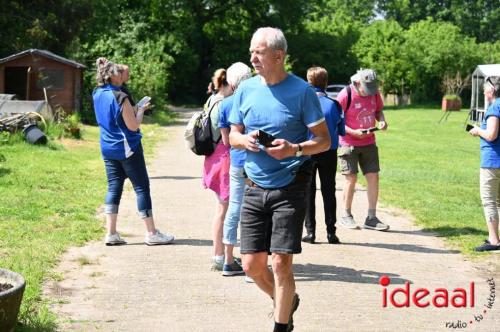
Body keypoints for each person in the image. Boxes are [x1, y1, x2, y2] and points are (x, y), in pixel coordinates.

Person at [229, 27, 330, 332]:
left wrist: (294, 148)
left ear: (278, 55)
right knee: (250, 265)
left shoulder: (302, 92)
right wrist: (242, 140)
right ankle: (286, 300)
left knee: (280, 262)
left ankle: (281, 325)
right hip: (254, 185)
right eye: (251, 51)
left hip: (291, 185)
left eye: (257, 52)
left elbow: (324, 141)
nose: (252, 58)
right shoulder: (245, 90)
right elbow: (232, 134)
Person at [92, 57, 174, 246]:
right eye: (120, 72)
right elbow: (133, 125)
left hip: (107, 148)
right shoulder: (121, 97)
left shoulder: (97, 93)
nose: (123, 74)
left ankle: (111, 233)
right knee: (141, 187)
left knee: (113, 187)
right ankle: (151, 233)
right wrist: (141, 111)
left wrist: (133, 110)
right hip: (127, 147)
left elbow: (115, 118)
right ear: (114, 77)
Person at [336, 68, 389, 231]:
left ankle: (371, 218)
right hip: (348, 143)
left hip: (369, 142)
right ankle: (346, 215)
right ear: (357, 83)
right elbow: (336, 120)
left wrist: (381, 121)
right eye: (367, 88)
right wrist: (353, 132)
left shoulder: (374, 94)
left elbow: (379, 111)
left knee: (373, 177)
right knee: (351, 179)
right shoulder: (345, 95)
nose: (370, 92)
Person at [302, 66, 345, 245]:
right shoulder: (334, 104)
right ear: (326, 83)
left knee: (308, 191)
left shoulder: (304, 103)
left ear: (308, 83)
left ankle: (310, 232)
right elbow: (341, 130)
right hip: (329, 151)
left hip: (308, 150)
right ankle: (331, 232)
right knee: (329, 191)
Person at [218, 62, 252, 276]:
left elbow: (226, 140)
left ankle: (229, 259)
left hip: (236, 161)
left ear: (230, 82)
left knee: (234, 208)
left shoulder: (225, 104)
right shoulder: (255, 100)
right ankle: (253, 262)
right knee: (256, 212)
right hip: (257, 162)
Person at [202, 68, 234, 271]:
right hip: (223, 158)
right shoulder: (225, 103)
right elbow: (227, 138)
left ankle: (219, 254)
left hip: (211, 157)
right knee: (224, 210)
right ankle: (220, 255)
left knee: (221, 209)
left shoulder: (211, 100)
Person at [469, 76, 500, 251]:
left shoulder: (495, 107)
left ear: (493, 90)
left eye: (485, 88)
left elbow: (491, 135)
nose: (483, 91)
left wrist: (477, 130)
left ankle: (494, 240)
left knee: (489, 200)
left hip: (492, 161)